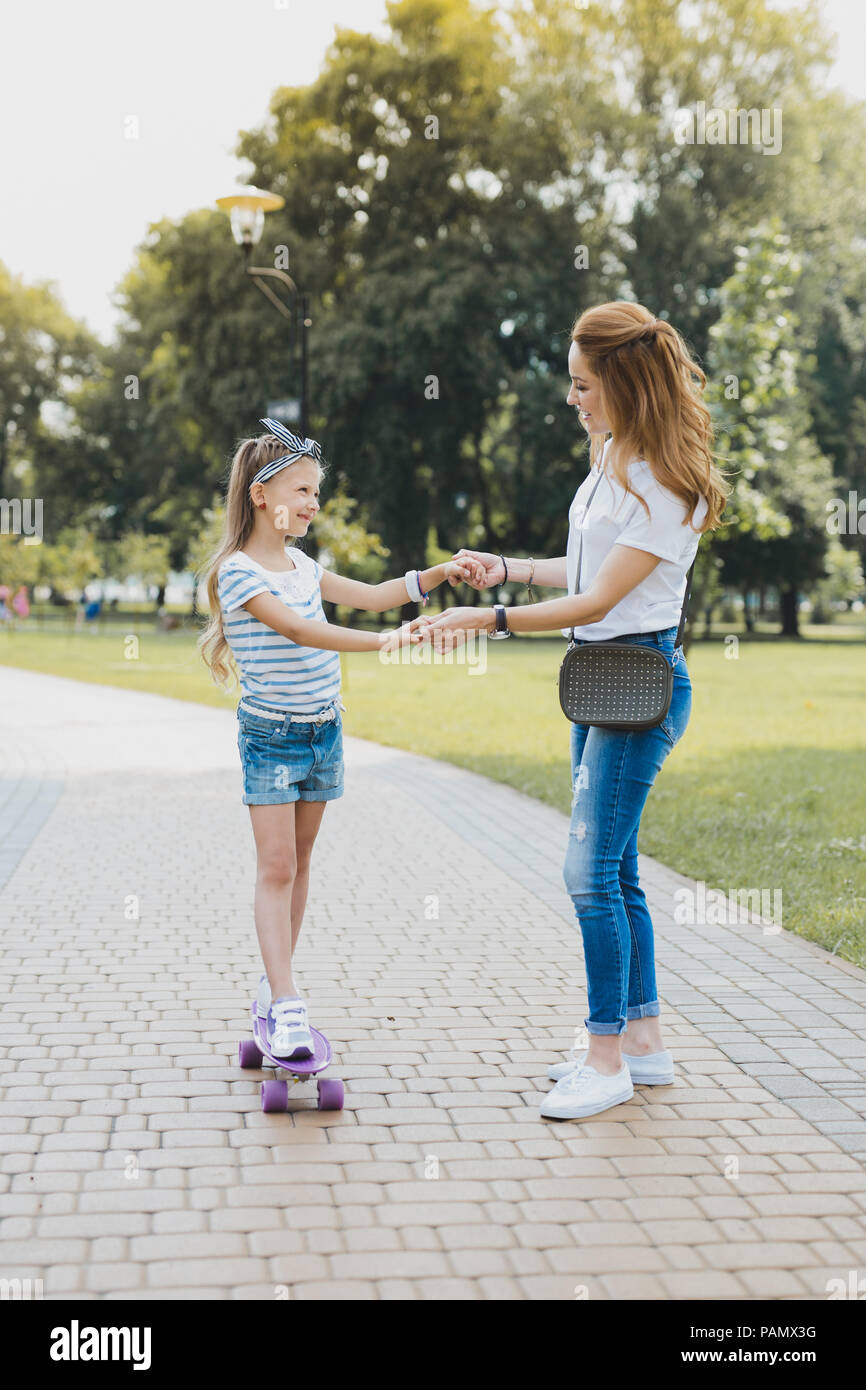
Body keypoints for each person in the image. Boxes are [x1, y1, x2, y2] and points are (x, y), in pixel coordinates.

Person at [414, 301, 730, 1122]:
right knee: (616, 871)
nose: (573, 398)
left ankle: (605, 1059)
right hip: (597, 680)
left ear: (623, 381)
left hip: (640, 685)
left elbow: (603, 595)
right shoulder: (612, 456)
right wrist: (505, 569)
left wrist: (484, 620)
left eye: (583, 384)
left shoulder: (666, 481)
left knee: (586, 874)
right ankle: (645, 1044)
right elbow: (586, 568)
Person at [198, 419, 482, 1064]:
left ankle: (277, 994)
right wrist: (387, 643)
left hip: (324, 731)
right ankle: (290, 1001)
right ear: (261, 495)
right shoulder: (239, 573)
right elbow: (302, 632)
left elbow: (379, 596)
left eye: (316, 493)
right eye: (302, 490)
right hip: (270, 738)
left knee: (298, 865)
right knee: (275, 867)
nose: (312, 504)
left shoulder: (301, 563)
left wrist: (438, 574)